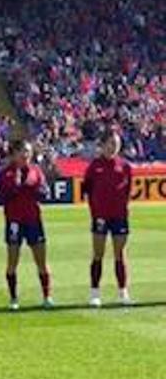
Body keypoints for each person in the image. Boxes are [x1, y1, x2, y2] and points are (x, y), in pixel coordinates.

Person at [81, 130, 134, 307]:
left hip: (119, 216)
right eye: (110, 143)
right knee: (98, 254)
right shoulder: (94, 166)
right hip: (100, 216)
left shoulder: (125, 166)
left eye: (116, 144)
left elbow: (127, 192)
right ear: (102, 145)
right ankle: (95, 292)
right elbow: (86, 190)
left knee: (120, 254)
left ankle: (122, 291)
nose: (113, 147)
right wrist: (95, 211)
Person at [0, 140, 52, 310]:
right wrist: (15, 185)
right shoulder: (6, 173)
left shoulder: (36, 171)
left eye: (28, 152)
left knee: (41, 260)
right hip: (14, 221)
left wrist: (40, 191)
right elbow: (2, 196)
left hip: (33, 220)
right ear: (14, 154)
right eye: (23, 152)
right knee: (13, 261)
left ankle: (47, 297)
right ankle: (13, 298)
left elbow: (45, 192)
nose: (26, 155)